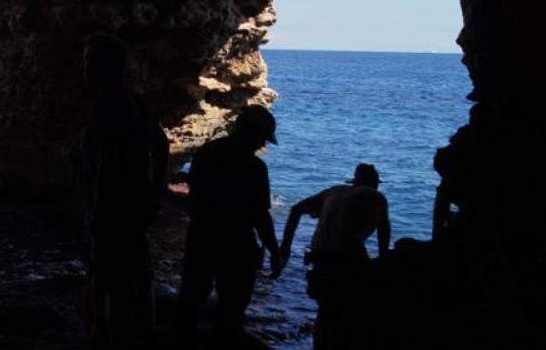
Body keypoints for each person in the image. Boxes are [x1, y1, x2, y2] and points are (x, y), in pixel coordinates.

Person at [73, 33, 170, 349]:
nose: (83, 66)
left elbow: (106, 162)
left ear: (104, 66)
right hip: (136, 202)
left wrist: (94, 207)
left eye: (89, 60)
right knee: (138, 269)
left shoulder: (107, 105)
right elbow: (161, 144)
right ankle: (148, 329)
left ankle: (104, 332)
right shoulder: (135, 101)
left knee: (109, 275)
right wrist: (155, 192)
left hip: (113, 206)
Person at [175, 105, 283, 341]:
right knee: (232, 308)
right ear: (251, 133)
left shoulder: (206, 153)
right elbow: (260, 215)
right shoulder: (255, 167)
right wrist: (274, 250)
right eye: (261, 138)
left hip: (201, 235)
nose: (261, 145)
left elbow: (194, 197)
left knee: (191, 299)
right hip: (237, 242)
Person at [277, 163, 391, 350]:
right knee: (352, 315)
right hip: (348, 260)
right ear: (375, 183)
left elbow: (295, 209)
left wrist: (285, 248)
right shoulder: (376, 197)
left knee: (327, 311)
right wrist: (384, 259)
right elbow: (383, 229)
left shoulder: (334, 191)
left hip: (320, 260)